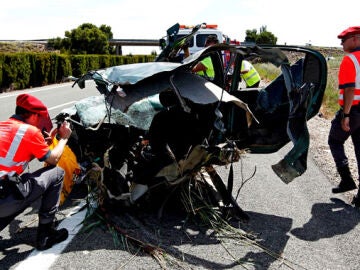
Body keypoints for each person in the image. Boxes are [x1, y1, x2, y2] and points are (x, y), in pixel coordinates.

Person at [0, 93, 72, 250]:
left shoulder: (3, 126)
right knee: (56, 174)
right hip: (2, 199)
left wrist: (40, 147)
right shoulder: (29, 131)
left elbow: (12, 158)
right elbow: (53, 159)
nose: (40, 122)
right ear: (33, 115)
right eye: (40, 118)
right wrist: (64, 138)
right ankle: (46, 235)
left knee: (18, 184)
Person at [328, 26, 360, 205]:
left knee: (334, 140)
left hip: (353, 112)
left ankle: (346, 180)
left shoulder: (351, 60)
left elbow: (349, 89)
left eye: (344, 39)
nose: (341, 43)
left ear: (355, 39)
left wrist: (346, 115)